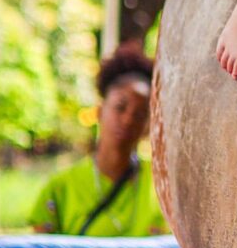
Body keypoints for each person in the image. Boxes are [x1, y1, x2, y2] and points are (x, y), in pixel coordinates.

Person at [29, 44, 167, 237]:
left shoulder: (162, 188)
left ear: (148, 125)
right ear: (100, 111)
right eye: (120, 107)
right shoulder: (60, 188)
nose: (128, 120)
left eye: (140, 114)